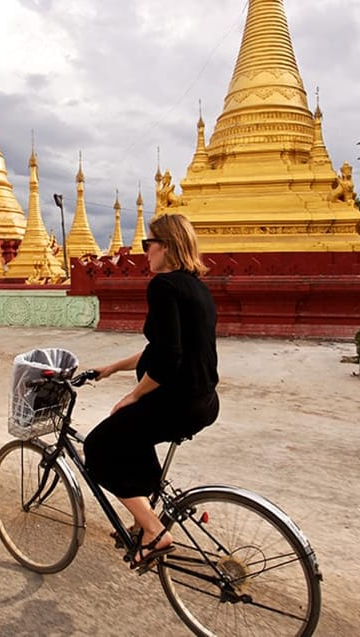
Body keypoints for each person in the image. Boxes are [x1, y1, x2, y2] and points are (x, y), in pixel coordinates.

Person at [86, 213, 220, 571]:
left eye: (149, 244)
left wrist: (135, 394)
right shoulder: (197, 287)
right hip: (204, 401)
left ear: (168, 247)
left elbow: (168, 358)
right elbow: (161, 348)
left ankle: (154, 531)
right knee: (134, 437)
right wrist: (113, 367)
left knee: (97, 447)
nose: (144, 252)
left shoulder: (162, 286)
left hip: (176, 401)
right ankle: (139, 522)